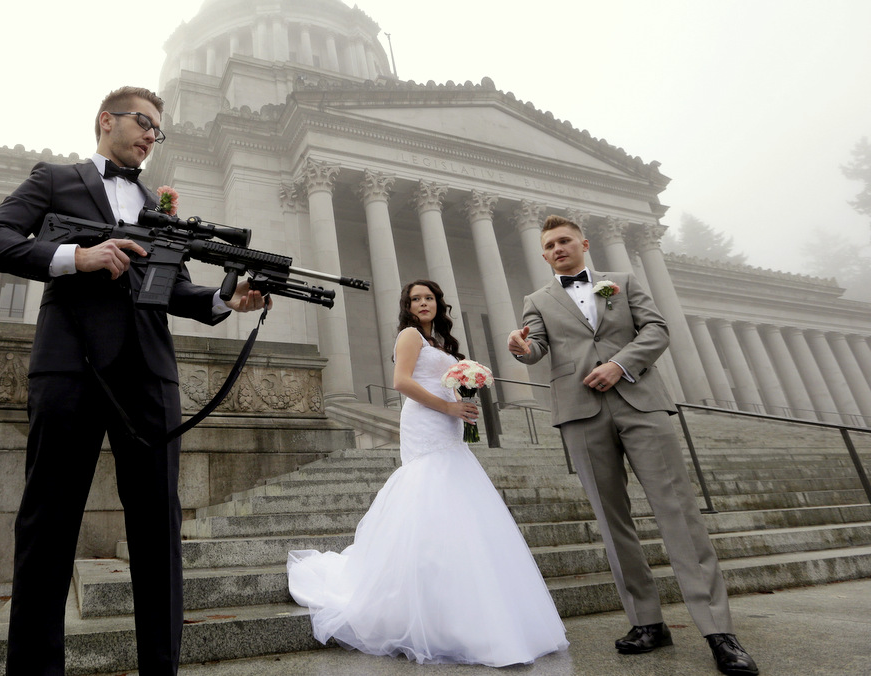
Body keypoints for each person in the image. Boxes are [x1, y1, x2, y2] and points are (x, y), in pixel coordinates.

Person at [0, 86, 265, 676]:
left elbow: (172, 291)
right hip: (68, 369)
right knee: (48, 522)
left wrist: (228, 298)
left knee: (158, 531)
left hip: (150, 376)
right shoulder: (55, 178)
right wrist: (79, 257)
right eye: (144, 123)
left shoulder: (161, 206)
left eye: (159, 129)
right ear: (107, 121)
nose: (153, 135)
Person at [507, 215, 758, 676]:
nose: (558, 248)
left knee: (677, 511)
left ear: (583, 244)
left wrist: (620, 365)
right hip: (580, 411)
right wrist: (521, 349)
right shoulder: (536, 300)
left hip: (640, 402)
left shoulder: (621, 281)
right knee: (611, 518)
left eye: (565, 241)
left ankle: (718, 630)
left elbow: (657, 330)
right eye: (550, 245)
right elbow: (537, 347)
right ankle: (646, 621)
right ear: (543, 255)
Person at [286, 280, 568, 667]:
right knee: (429, 493)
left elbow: (448, 382)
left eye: (429, 298)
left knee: (460, 505)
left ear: (439, 304)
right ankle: (423, 608)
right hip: (425, 422)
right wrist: (448, 407)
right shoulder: (408, 336)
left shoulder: (443, 344)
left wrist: (462, 403)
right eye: (416, 298)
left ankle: (468, 609)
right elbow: (402, 382)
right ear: (407, 305)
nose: (423, 303)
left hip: (449, 426)